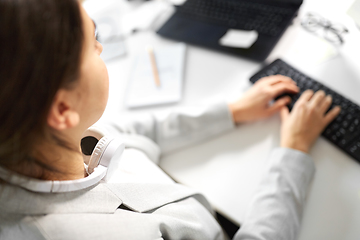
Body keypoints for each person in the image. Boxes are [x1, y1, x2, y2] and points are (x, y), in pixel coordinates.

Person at [0, 0, 341, 239]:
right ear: (62, 110)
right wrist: (293, 153)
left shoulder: (38, 140)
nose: (101, 48)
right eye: (92, 41)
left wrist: (230, 112)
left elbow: (128, 131)